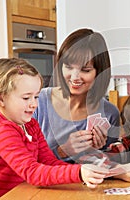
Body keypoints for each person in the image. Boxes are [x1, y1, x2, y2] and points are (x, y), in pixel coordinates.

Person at [0, 58, 108, 200]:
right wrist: (79, 173)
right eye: (26, 98)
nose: (34, 104)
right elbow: (32, 172)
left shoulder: (31, 125)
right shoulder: (2, 131)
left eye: (36, 96)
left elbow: (49, 162)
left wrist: (84, 172)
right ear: (1, 100)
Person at [33, 28, 120, 163]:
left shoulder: (109, 114)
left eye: (85, 70)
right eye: (68, 67)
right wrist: (61, 151)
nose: (74, 77)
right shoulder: (38, 102)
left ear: (100, 72)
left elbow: (108, 166)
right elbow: (24, 160)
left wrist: (99, 152)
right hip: (41, 183)